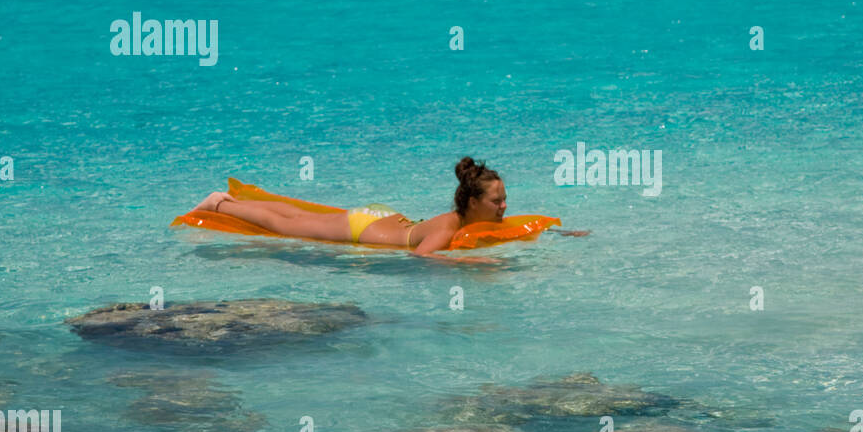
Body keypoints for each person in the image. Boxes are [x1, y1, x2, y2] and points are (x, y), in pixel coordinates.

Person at [195, 157, 582, 262]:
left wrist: (559, 233)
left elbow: (515, 228)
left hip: (383, 216)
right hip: (368, 230)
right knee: (288, 224)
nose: (504, 206)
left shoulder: (471, 219)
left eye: (503, 199)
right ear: (474, 202)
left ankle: (235, 201)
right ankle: (223, 204)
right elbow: (422, 257)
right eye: (497, 201)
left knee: (298, 217)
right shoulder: (448, 226)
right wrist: (471, 264)